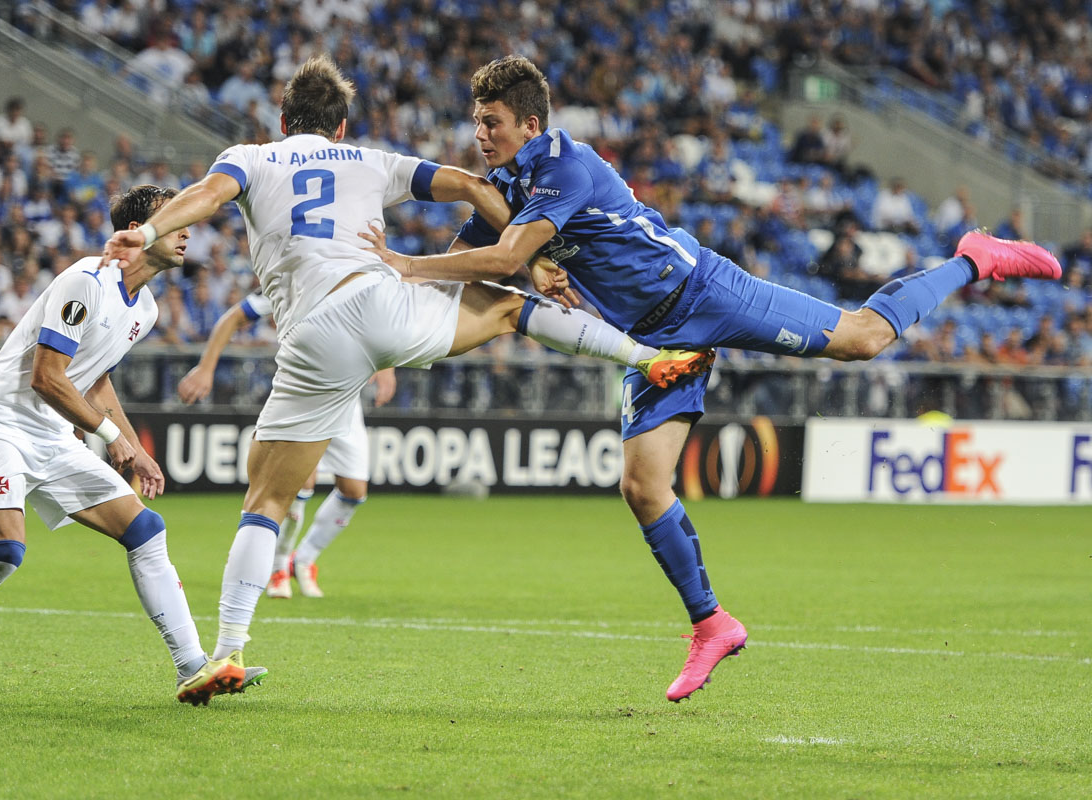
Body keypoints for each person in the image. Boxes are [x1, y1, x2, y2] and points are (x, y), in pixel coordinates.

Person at [361, 55, 1064, 703]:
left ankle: (974, 258)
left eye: (492, 121)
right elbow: (477, 261)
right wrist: (399, 336)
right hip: (654, 337)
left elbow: (500, 256)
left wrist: (408, 264)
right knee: (643, 486)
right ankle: (712, 625)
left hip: (704, 292)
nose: (479, 133)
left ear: (530, 124)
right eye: (476, 120)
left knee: (864, 339)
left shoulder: (565, 168)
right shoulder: (511, 184)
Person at [102, 56, 711, 677]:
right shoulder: (371, 160)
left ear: (283, 122)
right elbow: (473, 186)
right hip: (384, 304)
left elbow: (206, 197)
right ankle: (645, 356)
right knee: (506, 309)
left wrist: (145, 232)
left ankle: (228, 651)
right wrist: (534, 259)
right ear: (341, 128)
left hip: (314, 336)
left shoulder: (250, 158)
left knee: (266, 500)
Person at [0, 185, 262, 709]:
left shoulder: (146, 308)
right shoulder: (86, 281)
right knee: (3, 551)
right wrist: (111, 439)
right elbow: (47, 377)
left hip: (51, 433)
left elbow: (94, 379)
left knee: (145, 529)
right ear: (138, 230)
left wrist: (135, 447)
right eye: (174, 221)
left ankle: (192, 668)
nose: (186, 232)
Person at [177, 291, 395, 598]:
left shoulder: (356, 284)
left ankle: (302, 559)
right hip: (302, 397)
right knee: (300, 484)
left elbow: (382, 324)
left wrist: (387, 367)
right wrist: (206, 368)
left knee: (354, 491)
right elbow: (234, 317)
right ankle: (278, 565)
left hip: (346, 399)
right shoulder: (295, 283)